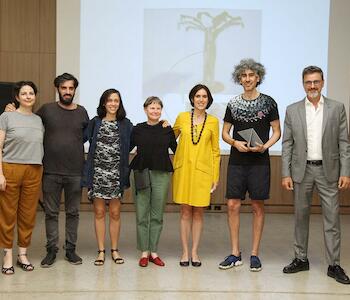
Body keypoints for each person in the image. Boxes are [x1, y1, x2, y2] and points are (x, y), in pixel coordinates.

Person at [281, 66, 350, 284]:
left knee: (332, 220)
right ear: (303, 84)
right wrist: (286, 173)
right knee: (301, 218)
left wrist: (345, 172)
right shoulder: (292, 110)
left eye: (316, 82)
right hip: (301, 172)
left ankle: (334, 264)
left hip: (328, 171)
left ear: (323, 82)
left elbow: (344, 143)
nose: (312, 86)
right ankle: (301, 259)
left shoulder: (337, 108)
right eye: (308, 82)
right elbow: (287, 144)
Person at [219, 58, 280, 272]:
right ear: (239, 78)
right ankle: (235, 253)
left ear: (258, 78)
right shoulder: (233, 103)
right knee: (233, 205)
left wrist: (264, 147)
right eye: (243, 76)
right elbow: (225, 134)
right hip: (237, 161)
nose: (247, 79)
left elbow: (277, 132)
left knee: (257, 206)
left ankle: (254, 254)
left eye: (251, 75)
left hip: (260, 162)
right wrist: (235, 142)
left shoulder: (269, 102)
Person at [82, 89, 133, 266]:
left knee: (115, 213)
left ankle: (114, 250)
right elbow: (78, 137)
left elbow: (140, 137)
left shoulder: (126, 124)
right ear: (104, 103)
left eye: (116, 100)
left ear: (120, 103)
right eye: (109, 100)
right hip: (97, 174)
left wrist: (162, 125)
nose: (113, 103)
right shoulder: (95, 123)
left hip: (116, 176)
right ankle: (101, 251)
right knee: (99, 212)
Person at [172, 84, 220, 267]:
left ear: (208, 100)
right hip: (184, 171)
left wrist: (215, 176)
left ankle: (194, 252)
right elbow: (169, 139)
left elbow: (216, 151)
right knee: (185, 211)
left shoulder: (214, 121)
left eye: (204, 96)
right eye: (198, 96)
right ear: (192, 99)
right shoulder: (182, 118)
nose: (201, 99)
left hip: (203, 173)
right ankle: (185, 252)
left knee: (199, 212)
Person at [0, 81, 44, 275]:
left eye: (31, 93)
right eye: (24, 93)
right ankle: (8, 255)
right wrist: (0, 173)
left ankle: (22, 255)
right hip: (10, 168)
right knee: (8, 215)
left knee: (27, 215)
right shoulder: (6, 116)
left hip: (34, 170)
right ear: (17, 97)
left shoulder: (38, 120)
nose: (28, 96)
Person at [130, 96, 177, 267]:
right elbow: (126, 147)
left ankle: (154, 251)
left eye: (158, 108)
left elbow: (177, 149)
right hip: (141, 172)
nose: (155, 111)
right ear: (145, 110)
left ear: (161, 110)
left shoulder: (167, 129)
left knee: (157, 214)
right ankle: (144, 252)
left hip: (162, 174)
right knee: (142, 214)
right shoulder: (137, 129)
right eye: (152, 108)